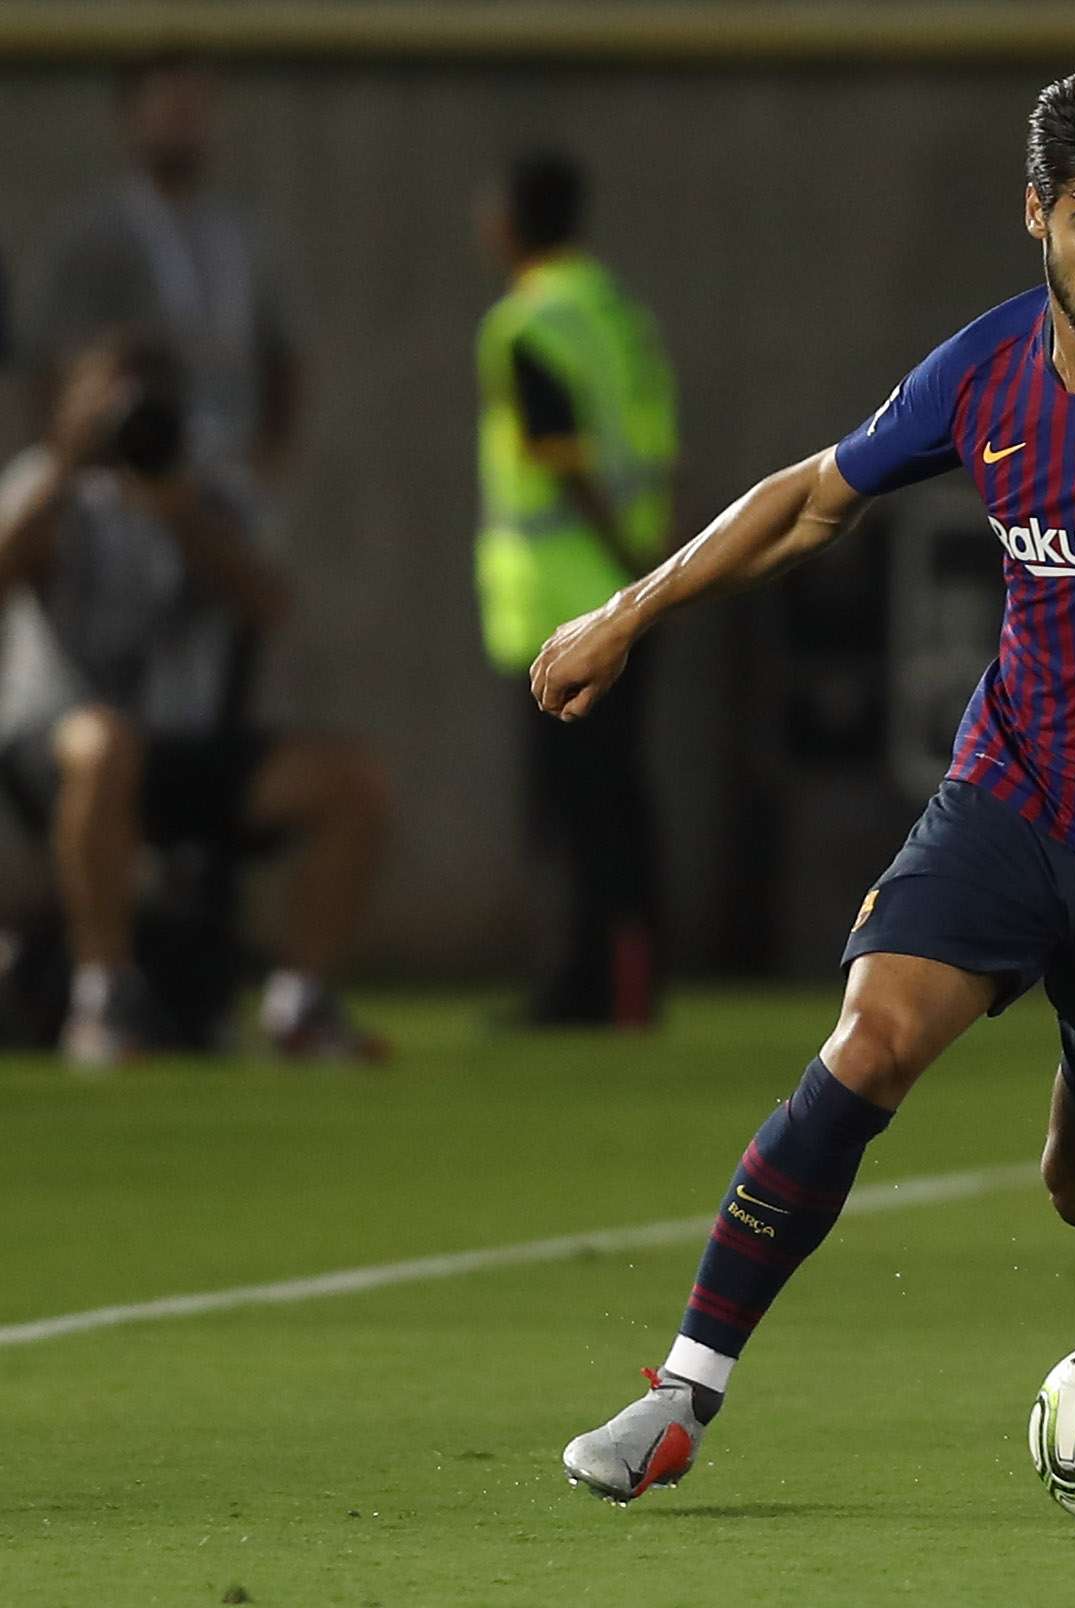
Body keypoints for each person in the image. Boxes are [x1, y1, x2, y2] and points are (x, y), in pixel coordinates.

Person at [542, 56, 1075, 1501]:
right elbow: (815, 499)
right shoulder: (988, 369)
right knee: (868, 1044)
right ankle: (683, 1393)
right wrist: (628, 610)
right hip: (1010, 794)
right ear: (1036, 216)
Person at [0, 332, 389, 1066]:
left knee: (351, 784)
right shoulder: (43, 479)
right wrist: (62, 464)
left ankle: (299, 1003)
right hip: (59, 740)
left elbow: (270, 602)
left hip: (181, 741)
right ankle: (103, 996)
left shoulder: (204, 483)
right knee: (107, 744)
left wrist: (179, 514)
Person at [474, 151, 677, 1027]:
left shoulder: (529, 323)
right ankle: (632, 977)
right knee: (618, 795)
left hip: (573, 602)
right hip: (636, 580)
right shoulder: (619, 313)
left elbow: (560, 460)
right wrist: (651, 569)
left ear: (513, 219)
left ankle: (587, 985)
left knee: (578, 807)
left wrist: (623, 579)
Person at [26, 52, 299, 485]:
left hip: (228, 475)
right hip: (128, 481)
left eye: (194, 104)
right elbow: (52, 369)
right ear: (131, 113)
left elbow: (285, 360)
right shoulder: (94, 238)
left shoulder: (245, 237)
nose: (183, 119)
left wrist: (268, 465)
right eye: (168, 104)